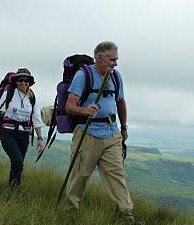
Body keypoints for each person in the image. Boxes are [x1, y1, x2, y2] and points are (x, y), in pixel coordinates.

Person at [64, 41, 140, 224]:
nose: (115, 63)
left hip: (112, 133)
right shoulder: (83, 76)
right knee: (80, 176)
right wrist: (85, 111)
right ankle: (70, 214)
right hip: (87, 134)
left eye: (116, 60)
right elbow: (69, 106)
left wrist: (123, 127)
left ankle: (126, 216)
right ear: (99, 58)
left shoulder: (116, 76)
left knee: (117, 175)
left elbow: (120, 102)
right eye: (112, 59)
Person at [0, 68, 45, 188]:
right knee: (18, 162)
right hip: (7, 132)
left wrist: (40, 138)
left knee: (18, 164)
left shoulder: (32, 98)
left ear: (30, 82)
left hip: (23, 135)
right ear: (16, 81)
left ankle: (13, 190)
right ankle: (14, 190)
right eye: (20, 80)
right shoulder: (10, 93)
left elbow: (36, 119)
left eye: (26, 80)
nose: (23, 82)